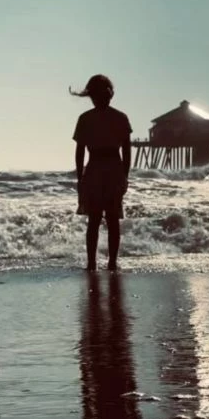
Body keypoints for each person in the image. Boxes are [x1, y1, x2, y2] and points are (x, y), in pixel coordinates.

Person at [71, 75, 132, 272]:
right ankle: (112, 262)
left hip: (95, 167)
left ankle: (92, 263)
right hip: (113, 166)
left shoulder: (85, 119)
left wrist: (80, 178)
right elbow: (127, 150)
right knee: (112, 220)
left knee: (94, 220)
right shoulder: (121, 118)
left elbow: (80, 152)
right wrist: (125, 175)